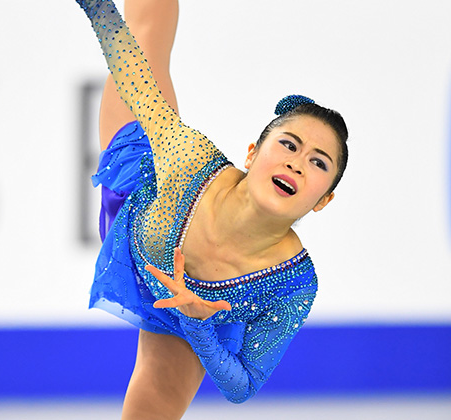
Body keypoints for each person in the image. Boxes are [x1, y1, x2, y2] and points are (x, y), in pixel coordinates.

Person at [76, 0, 349, 418]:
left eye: (318, 162)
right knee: (146, 36)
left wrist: (198, 323)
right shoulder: (189, 159)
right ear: (252, 153)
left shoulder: (293, 284)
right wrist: (96, 7)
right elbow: (136, 79)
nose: (296, 163)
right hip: (135, 182)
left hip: (181, 315)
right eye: (288, 144)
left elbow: (244, 385)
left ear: (323, 199)